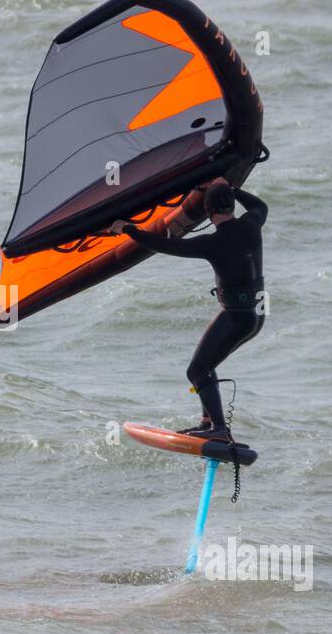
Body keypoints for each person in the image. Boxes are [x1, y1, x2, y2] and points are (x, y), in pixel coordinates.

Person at [110, 178, 267, 441]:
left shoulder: (212, 243)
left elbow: (166, 245)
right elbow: (260, 205)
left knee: (196, 370)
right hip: (255, 315)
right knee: (206, 365)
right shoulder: (252, 223)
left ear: (208, 211)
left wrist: (128, 229)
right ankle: (209, 423)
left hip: (237, 316)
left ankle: (219, 430)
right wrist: (233, 188)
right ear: (231, 206)